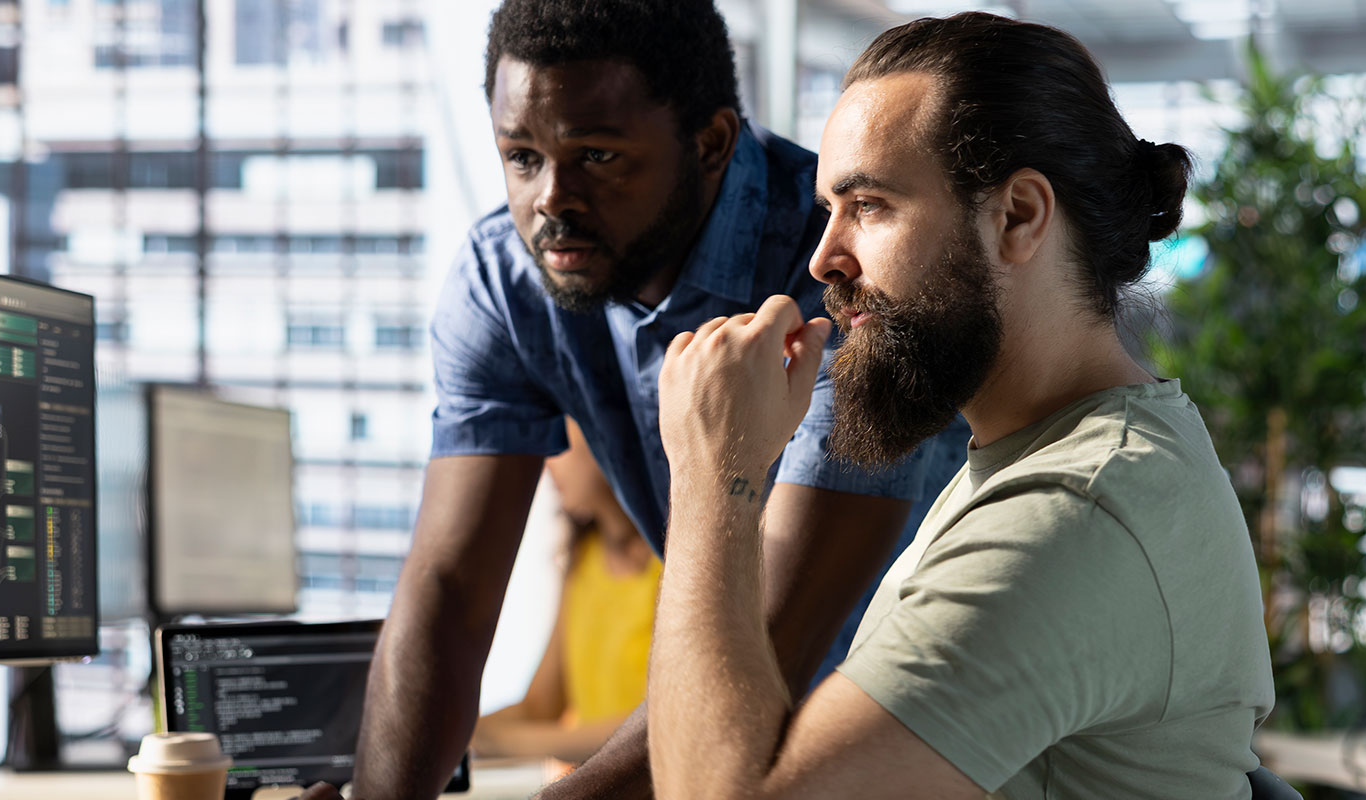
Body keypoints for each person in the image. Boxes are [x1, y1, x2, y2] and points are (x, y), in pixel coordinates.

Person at [299, 1, 967, 798]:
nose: (550, 199)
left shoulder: (846, 271)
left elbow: (781, 637)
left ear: (711, 141)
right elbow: (450, 591)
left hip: (943, 741)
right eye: (522, 157)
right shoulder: (507, 281)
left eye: (598, 156)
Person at [646, 13, 1274, 799]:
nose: (823, 258)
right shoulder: (1029, 456)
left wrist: (714, 474)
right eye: (827, 211)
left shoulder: (1075, 511)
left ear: (1017, 217)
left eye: (869, 205)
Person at [468, 420, 659, 766]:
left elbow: (662, 723)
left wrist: (502, 741)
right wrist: (455, 733)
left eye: (559, 438)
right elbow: (541, 706)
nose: (546, 462)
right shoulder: (584, 559)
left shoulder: (677, 559)